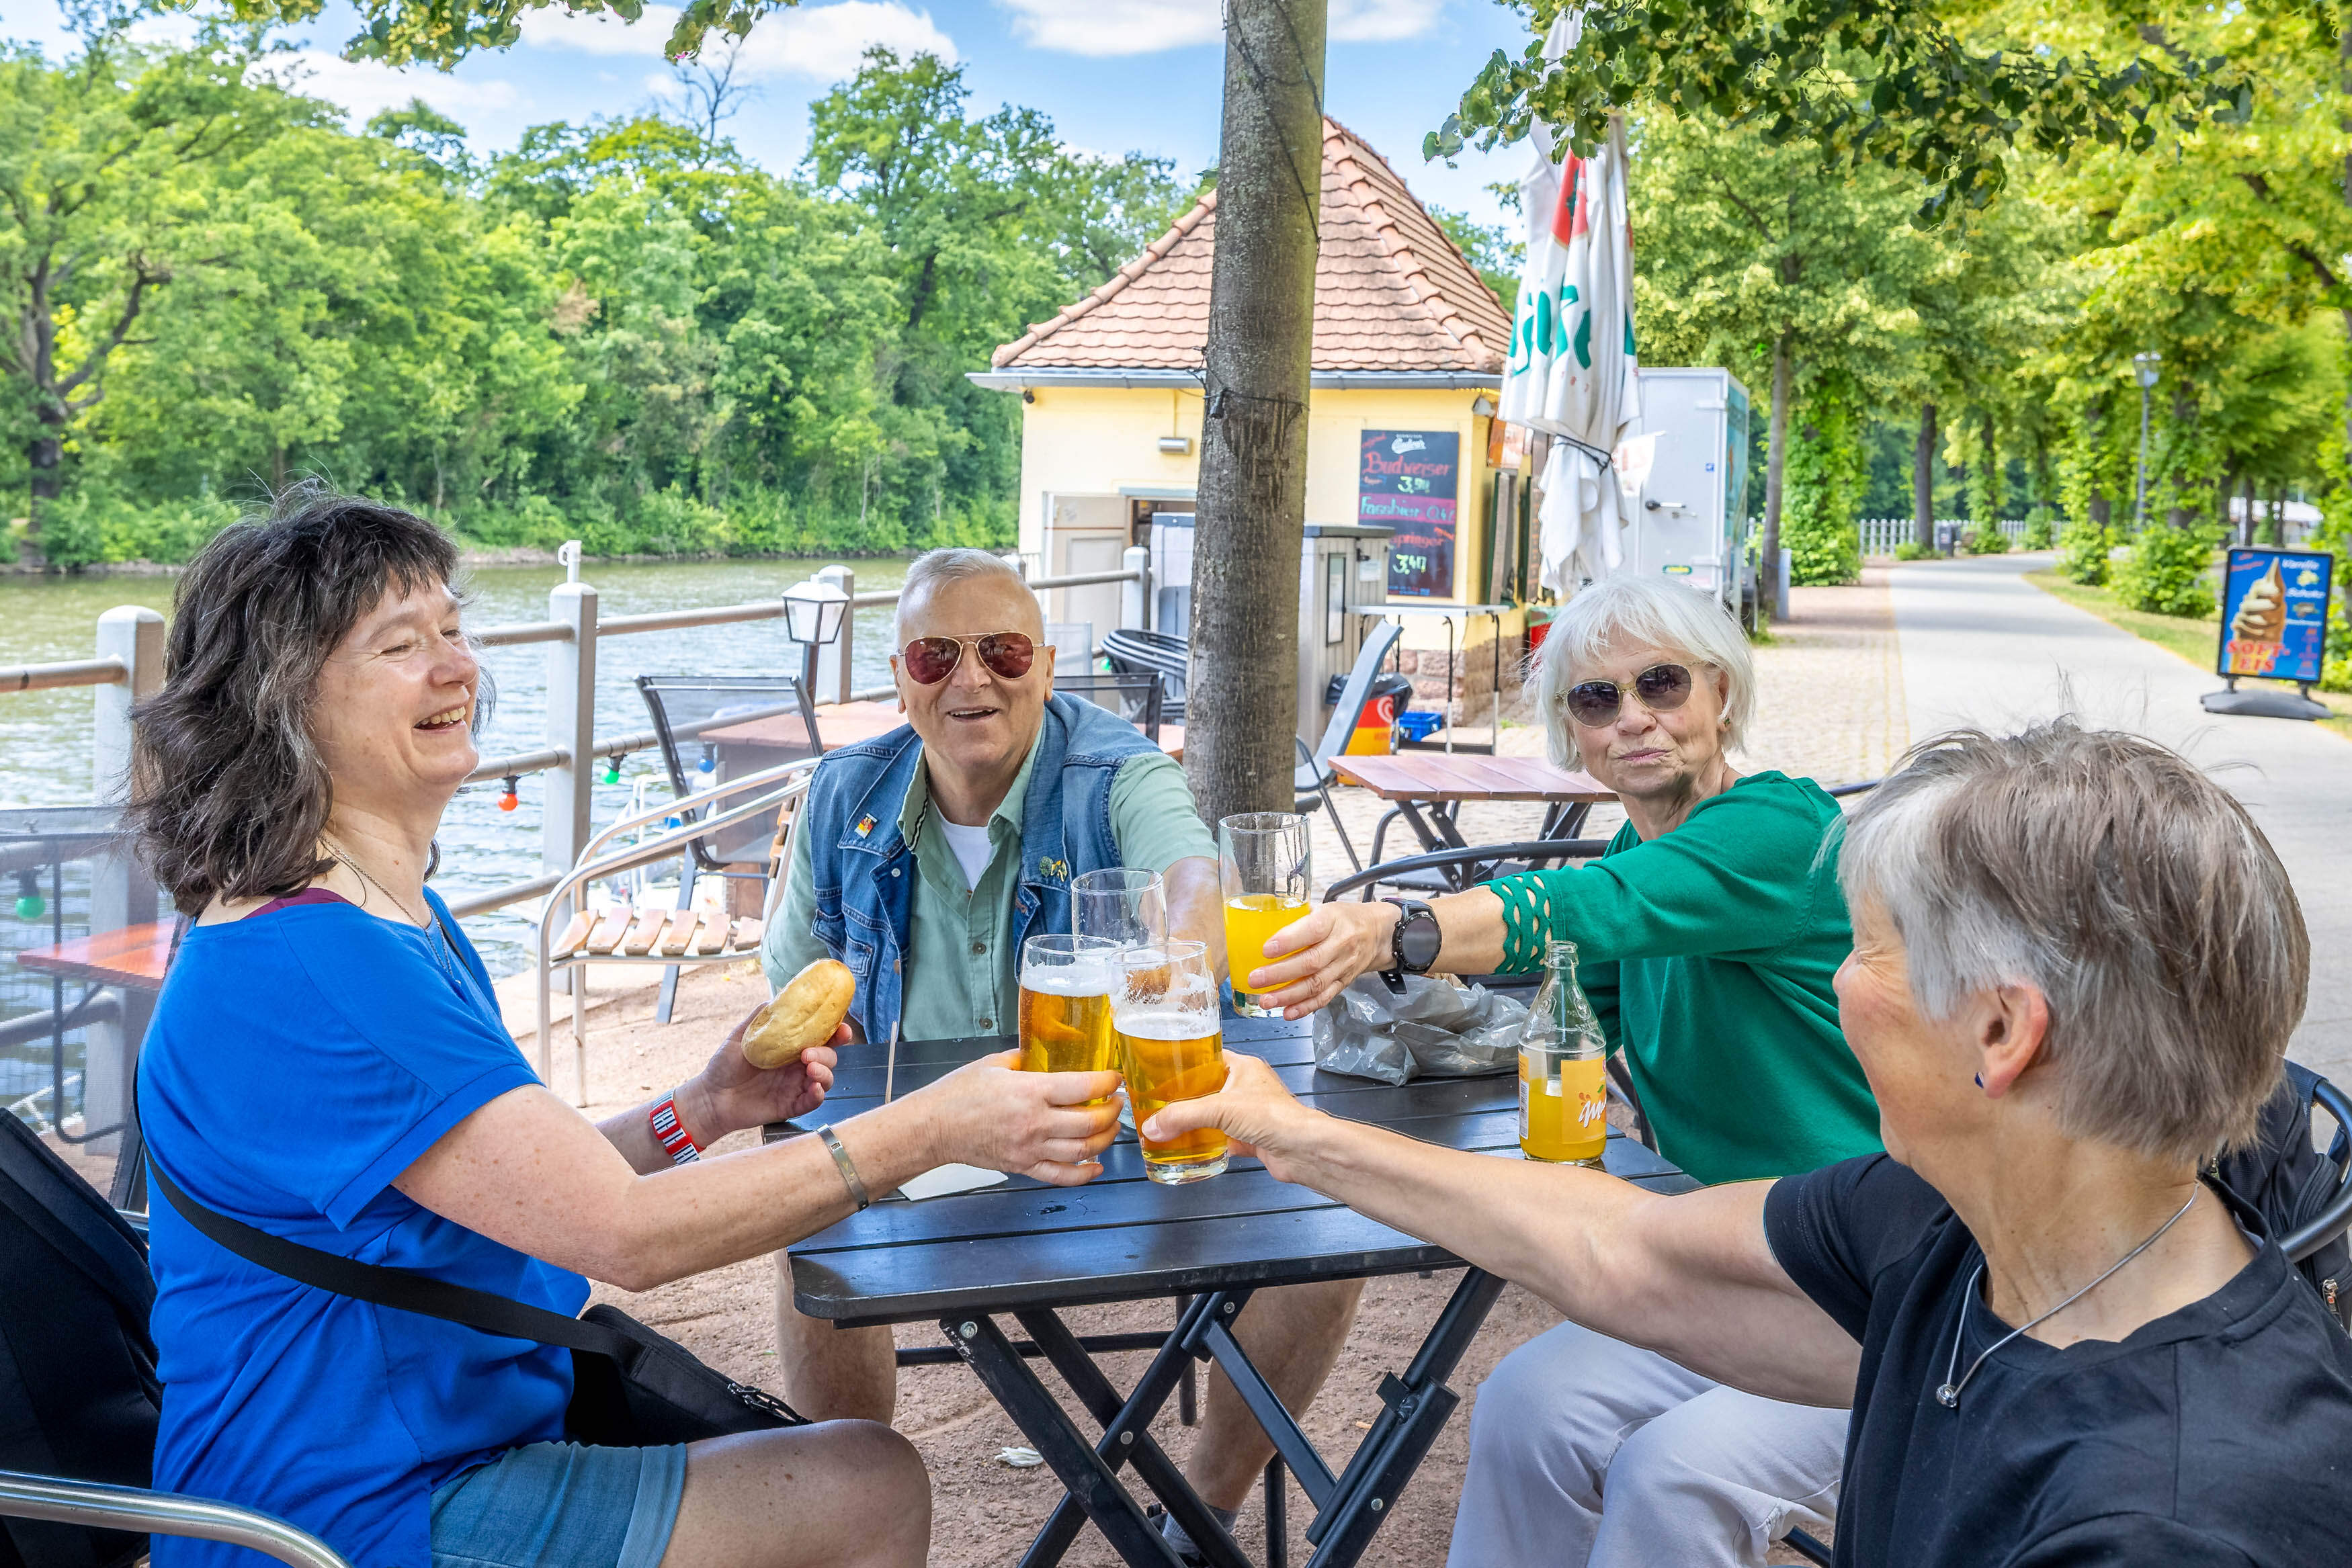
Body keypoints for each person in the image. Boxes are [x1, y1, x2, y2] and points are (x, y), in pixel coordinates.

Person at [132, 492, 1124, 1568]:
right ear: (286, 703)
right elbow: (626, 1237)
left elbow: (519, 1189)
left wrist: (701, 1107)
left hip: (412, 1451)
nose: (457, 669)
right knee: (866, 1485)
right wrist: (933, 1125)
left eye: (453, 630)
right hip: (355, 1513)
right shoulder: (323, 964)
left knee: (834, 1465)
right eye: (399, 645)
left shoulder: (369, 913)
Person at [1151, 721, 2352, 1565]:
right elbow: (1622, 1248)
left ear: (2000, 1029)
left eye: (1864, 948)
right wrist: (1293, 1133)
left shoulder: (2164, 1517)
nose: (1834, 984)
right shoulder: (1968, 1226)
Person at [1244, 572, 1881, 1565]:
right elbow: (1577, 1030)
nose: (1633, 718)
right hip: (1720, 1264)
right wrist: (1415, 1022)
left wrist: (1395, 932)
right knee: (1525, 1406)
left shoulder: (1780, 831)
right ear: (1570, 729)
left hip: (1867, 1288)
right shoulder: (1641, 841)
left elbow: (1594, 906)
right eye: (1597, 698)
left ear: (1720, 693)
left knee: (1670, 1472)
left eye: (1661, 684)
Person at [761, 547, 1361, 1558]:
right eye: (934, 654)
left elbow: (1193, 881)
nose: (971, 678)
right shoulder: (841, 794)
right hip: (922, 1135)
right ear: (899, 675)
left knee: (1327, 1219)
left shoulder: (1116, 768)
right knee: (804, 1215)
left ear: (1044, 665)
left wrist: (1168, 970)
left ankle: (1197, 1515)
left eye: (1000, 650)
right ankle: (853, 1512)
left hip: (1116, 1137)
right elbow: (790, 998)